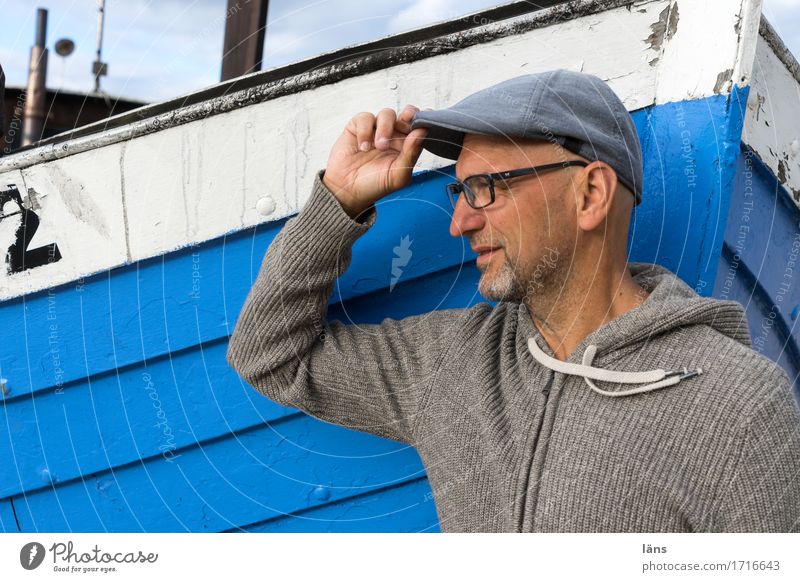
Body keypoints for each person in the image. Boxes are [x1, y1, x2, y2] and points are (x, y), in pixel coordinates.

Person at [227, 69, 800, 532]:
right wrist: (340, 202)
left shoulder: (742, 411)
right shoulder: (450, 366)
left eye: (486, 188)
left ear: (590, 193)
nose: (458, 222)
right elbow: (269, 353)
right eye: (459, 189)